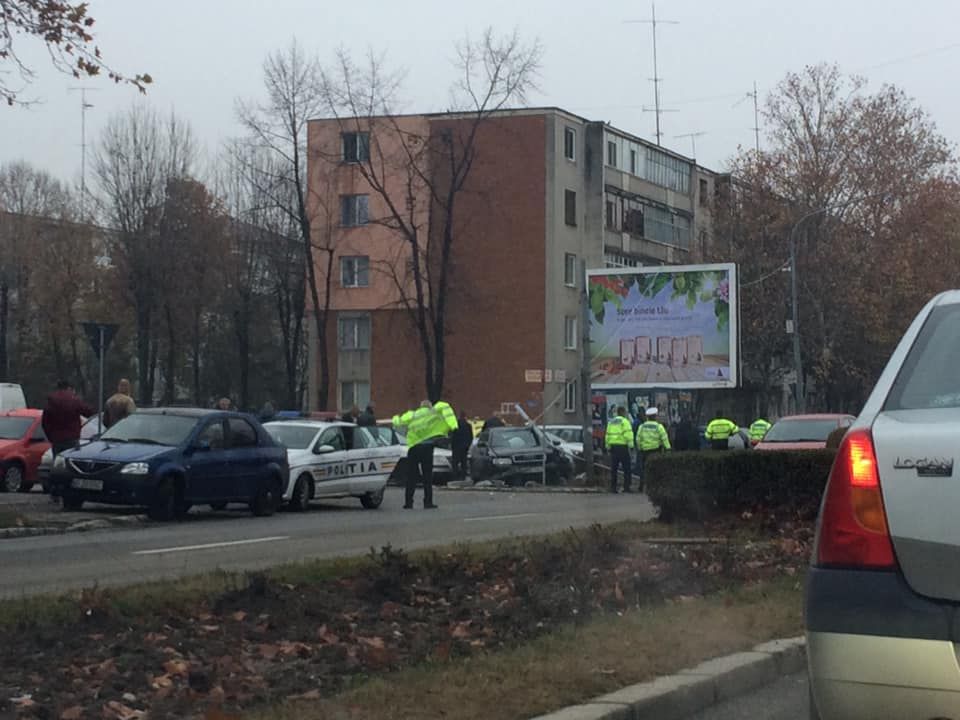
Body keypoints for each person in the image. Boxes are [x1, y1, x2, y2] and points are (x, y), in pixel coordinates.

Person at [393, 399, 458, 509]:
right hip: (427, 448)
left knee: (411, 476)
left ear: (420, 406)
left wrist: (395, 417)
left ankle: (408, 502)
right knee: (427, 476)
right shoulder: (434, 413)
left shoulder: (413, 415)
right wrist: (453, 426)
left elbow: (398, 422)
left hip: (413, 447)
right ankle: (428, 502)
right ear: (429, 406)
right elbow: (446, 410)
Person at [42, 380, 95, 458]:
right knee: (73, 463)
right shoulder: (74, 400)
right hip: (72, 438)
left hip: (57, 440)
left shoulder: (51, 402)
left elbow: (45, 423)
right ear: (69, 388)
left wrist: (51, 437)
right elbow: (88, 412)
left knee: (58, 463)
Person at [636, 407, 671, 490]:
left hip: (644, 451)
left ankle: (641, 486)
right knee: (656, 469)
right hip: (656, 451)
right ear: (655, 416)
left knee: (644, 469)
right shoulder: (659, 427)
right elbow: (664, 438)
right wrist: (668, 448)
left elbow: (638, 438)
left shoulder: (642, 426)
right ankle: (655, 486)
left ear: (647, 417)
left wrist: (640, 448)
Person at [604, 406, 635, 493]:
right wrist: (631, 446)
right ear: (623, 412)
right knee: (626, 468)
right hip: (623, 447)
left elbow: (607, 435)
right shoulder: (625, 422)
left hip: (613, 448)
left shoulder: (611, 422)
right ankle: (626, 487)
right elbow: (628, 434)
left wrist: (608, 447)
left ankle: (613, 488)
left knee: (614, 468)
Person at [450, 410, 474, 481]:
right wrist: (468, 445)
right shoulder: (468, 425)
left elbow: (452, 436)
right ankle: (463, 477)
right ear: (465, 417)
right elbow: (471, 437)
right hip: (464, 447)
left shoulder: (455, 425)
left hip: (456, 446)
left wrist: (452, 445)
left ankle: (455, 477)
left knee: (455, 463)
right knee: (464, 463)